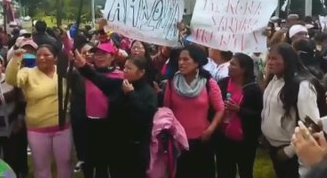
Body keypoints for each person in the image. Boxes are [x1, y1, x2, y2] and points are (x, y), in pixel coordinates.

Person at [74, 50, 158, 178]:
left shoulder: (148, 93)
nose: (125, 70)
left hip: (135, 149)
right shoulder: (119, 85)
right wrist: (83, 66)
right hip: (116, 145)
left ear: (141, 72)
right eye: (124, 67)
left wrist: (131, 94)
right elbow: (97, 78)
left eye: (129, 68)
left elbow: (145, 115)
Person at [6, 44, 73, 178]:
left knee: (64, 162)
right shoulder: (28, 72)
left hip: (62, 127)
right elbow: (12, 79)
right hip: (37, 129)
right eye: (38, 55)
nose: (42, 58)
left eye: (46, 55)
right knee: (41, 165)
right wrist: (16, 59)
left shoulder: (64, 72)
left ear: (55, 58)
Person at [164, 45, 225, 178]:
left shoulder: (208, 83)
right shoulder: (172, 82)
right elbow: (167, 110)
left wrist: (210, 130)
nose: (181, 63)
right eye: (180, 59)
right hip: (179, 141)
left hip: (201, 140)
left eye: (186, 59)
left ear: (197, 62)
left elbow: (220, 109)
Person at [261, 43, 321, 178]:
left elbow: (311, 124)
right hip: (273, 147)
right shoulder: (273, 80)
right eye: (269, 58)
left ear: (287, 60)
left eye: (275, 58)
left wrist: (289, 151)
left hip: (290, 150)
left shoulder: (302, 85)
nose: (270, 62)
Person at [70, 41, 124, 178]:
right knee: (88, 161)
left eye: (103, 54)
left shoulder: (120, 76)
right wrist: (66, 39)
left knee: (104, 163)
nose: (99, 57)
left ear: (112, 56)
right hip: (88, 123)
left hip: (109, 124)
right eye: (97, 54)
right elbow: (78, 59)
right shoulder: (89, 72)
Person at [215, 53, 263, 178]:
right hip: (224, 139)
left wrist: (239, 109)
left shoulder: (253, 90)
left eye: (233, 64)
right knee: (224, 171)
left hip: (245, 142)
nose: (229, 67)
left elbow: (259, 114)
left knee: (245, 171)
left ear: (243, 69)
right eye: (229, 63)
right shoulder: (223, 84)